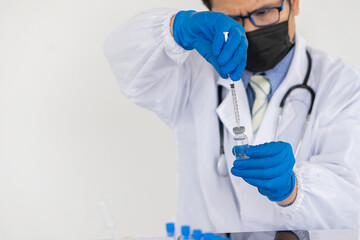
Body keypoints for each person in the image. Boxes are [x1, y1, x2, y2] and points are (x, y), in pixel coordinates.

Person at [104, 0, 360, 233]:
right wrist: (176, 29)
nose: (248, 30)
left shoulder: (342, 86)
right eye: (232, 20)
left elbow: (352, 199)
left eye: (263, 12)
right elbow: (123, 57)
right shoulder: (190, 71)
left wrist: (294, 189)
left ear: (294, 3)